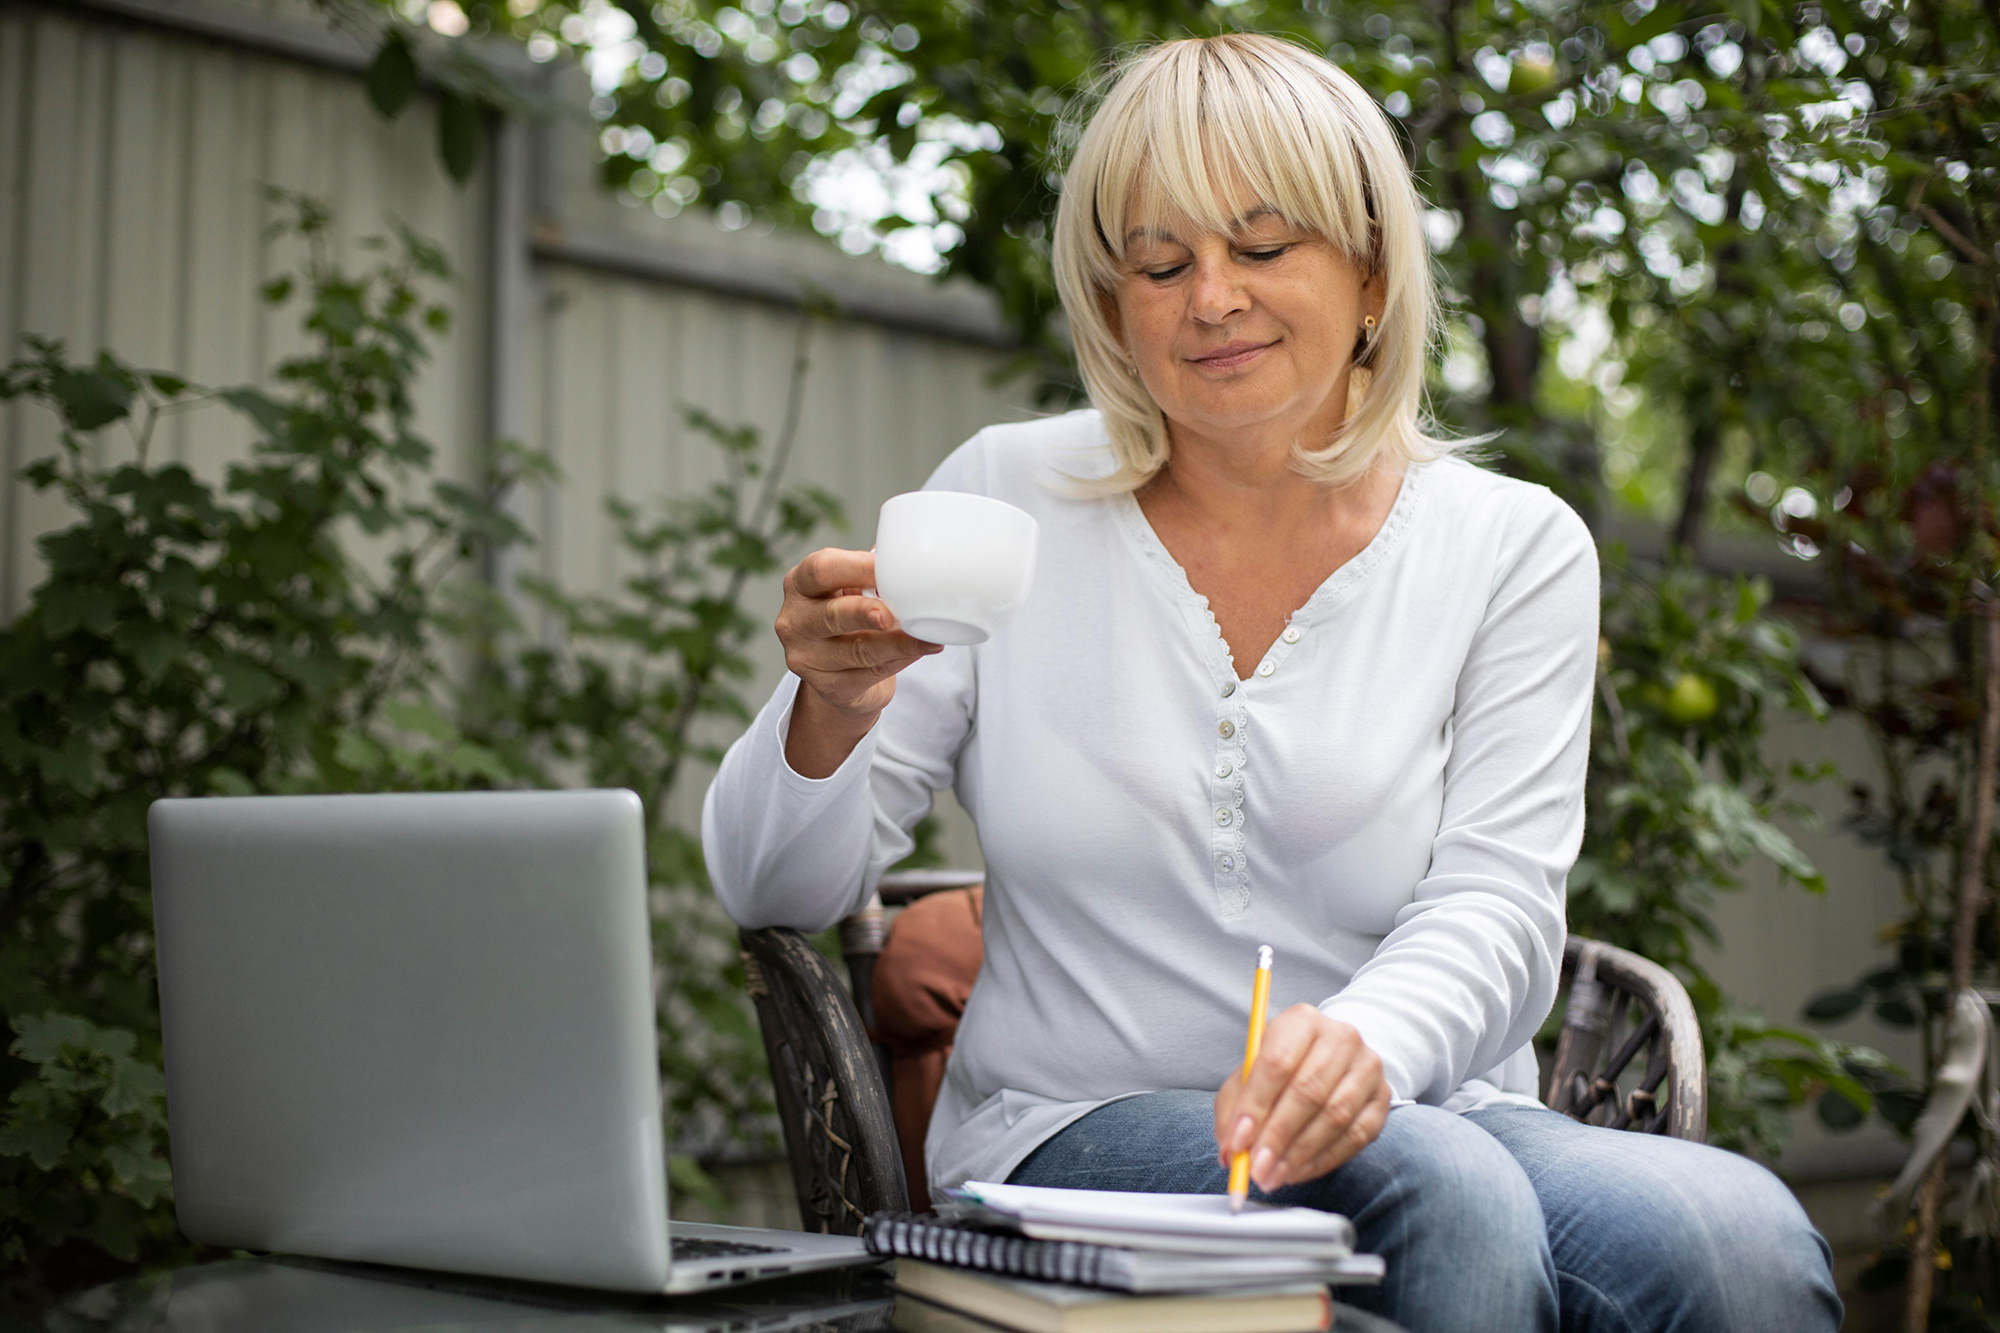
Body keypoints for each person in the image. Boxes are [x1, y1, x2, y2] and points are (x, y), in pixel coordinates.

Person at [701, 33, 1841, 1332]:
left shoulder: (1511, 545)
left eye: (1261, 246)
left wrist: (1367, 1047)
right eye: (1162, 260)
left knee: (1739, 1239)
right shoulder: (1003, 499)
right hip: (1074, 1134)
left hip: (1431, 1102)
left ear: (1369, 268)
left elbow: (1502, 899)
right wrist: (830, 712)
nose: (1211, 297)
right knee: (1437, 1190)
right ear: (1111, 297)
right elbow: (769, 888)